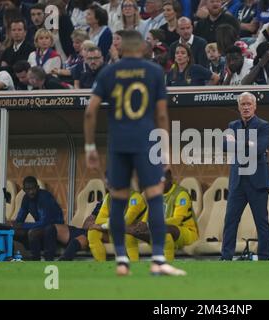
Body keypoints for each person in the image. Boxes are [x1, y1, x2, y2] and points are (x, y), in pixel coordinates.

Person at [84, 30, 186, 276]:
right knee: (154, 198)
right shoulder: (153, 72)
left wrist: (89, 147)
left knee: (117, 201)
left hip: (118, 144)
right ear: (141, 48)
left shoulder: (108, 72)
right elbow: (161, 114)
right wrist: (164, 150)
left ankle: (121, 261)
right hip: (144, 143)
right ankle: (158, 260)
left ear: (120, 49)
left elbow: (90, 112)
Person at [220, 92, 269, 261]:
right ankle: (226, 257)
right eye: (243, 104)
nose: (246, 107)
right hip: (237, 182)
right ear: (238, 107)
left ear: (255, 106)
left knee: (261, 222)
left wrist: (238, 144)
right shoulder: (232, 125)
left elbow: (259, 148)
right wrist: (248, 143)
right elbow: (224, 145)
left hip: (257, 181)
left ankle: (264, 258)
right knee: (230, 221)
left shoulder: (263, 125)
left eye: (249, 104)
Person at [128, 170, 199, 261]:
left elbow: (177, 220)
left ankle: (168, 264)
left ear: (170, 179)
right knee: (130, 231)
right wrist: (142, 224)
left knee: (166, 230)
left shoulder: (181, 195)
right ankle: (135, 265)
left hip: (186, 233)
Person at [9, 176, 64, 260]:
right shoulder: (26, 199)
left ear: (37, 188)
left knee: (32, 233)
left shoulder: (45, 197)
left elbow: (45, 222)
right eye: (28, 189)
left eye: (33, 188)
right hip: (42, 227)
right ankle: (17, 258)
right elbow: (20, 219)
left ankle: (35, 261)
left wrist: (22, 226)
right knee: (13, 232)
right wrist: (14, 225)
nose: (31, 192)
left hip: (54, 227)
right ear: (24, 190)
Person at [88, 188, 147, 262]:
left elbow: (125, 222)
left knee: (126, 234)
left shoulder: (135, 198)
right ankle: (101, 265)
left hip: (138, 235)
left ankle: (135, 264)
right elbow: (99, 220)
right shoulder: (108, 197)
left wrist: (103, 225)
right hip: (116, 232)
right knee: (93, 232)